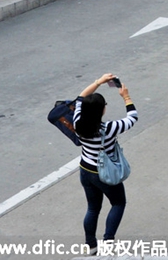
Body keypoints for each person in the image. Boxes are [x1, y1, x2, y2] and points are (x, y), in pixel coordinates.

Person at [73, 73, 138, 255]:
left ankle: (91, 245)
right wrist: (126, 96)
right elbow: (133, 117)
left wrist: (98, 82)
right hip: (105, 174)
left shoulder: (77, 122)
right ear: (102, 111)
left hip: (85, 170)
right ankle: (108, 242)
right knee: (118, 203)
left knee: (93, 208)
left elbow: (80, 98)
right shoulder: (108, 129)